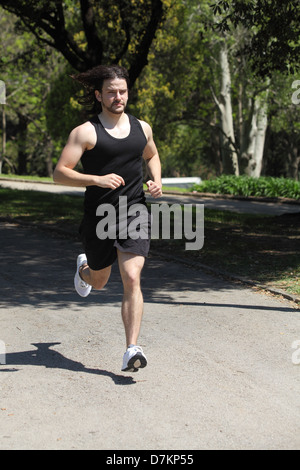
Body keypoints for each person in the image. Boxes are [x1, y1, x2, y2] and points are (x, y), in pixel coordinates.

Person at [53, 65, 162, 372]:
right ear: (99, 95)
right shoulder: (85, 132)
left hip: (134, 212)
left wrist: (156, 180)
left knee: (131, 277)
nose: (118, 97)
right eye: (112, 92)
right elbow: (60, 173)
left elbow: (151, 155)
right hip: (99, 216)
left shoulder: (143, 128)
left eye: (123, 91)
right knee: (100, 281)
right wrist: (96, 180)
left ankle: (132, 349)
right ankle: (84, 269)